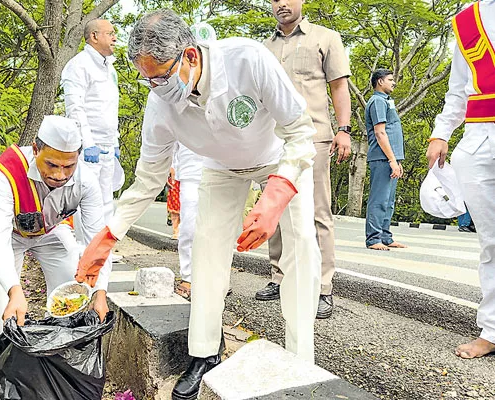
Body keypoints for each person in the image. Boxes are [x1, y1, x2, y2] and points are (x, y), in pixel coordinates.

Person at [75, 10, 321, 400]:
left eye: (160, 75)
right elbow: (148, 181)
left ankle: (299, 360)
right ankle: (205, 353)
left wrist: (276, 195)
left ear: (190, 56)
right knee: (206, 248)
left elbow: (301, 132)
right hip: (221, 168)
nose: (154, 86)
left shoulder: (248, 59)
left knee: (301, 245)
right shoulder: (160, 106)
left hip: (280, 160)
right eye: (146, 78)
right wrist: (106, 238)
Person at [0, 115, 111, 340]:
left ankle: (58, 348)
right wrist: (14, 290)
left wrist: (100, 291)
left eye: (69, 166)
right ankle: (5, 355)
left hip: (50, 231)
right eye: (52, 165)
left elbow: (97, 240)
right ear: (36, 149)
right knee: (3, 294)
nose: (60, 175)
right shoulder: (8, 172)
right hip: (10, 232)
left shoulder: (86, 182)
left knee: (72, 288)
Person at [256, 0, 352, 319]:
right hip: (273, 139)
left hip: (314, 136)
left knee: (317, 212)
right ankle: (279, 278)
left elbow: (339, 86)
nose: (281, 3)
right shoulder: (263, 47)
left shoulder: (326, 38)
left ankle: (323, 287)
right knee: (276, 206)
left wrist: (344, 130)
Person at [426, 0, 495, 359]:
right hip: (479, 139)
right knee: (491, 241)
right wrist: (441, 132)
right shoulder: (468, 20)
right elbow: (458, 88)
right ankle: (492, 329)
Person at [61, 19, 120, 226]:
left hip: (107, 147)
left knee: (106, 201)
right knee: (87, 201)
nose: (115, 38)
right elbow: (75, 108)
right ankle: (84, 251)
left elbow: (111, 108)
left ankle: (103, 253)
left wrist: (115, 142)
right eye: (110, 33)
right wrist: (87, 143)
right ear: (94, 36)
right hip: (89, 149)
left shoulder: (109, 69)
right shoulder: (78, 65)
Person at [364, 69, 407, 251]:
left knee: (389, 201)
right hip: (382, 158)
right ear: (380, 81)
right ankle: (373, 239)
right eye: (390, 80)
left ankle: (385, 236)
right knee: (379, 199)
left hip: (391, 158)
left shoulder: (386, 101)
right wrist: (391, 159)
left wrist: (397, 160)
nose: (393, 83)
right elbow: (380, 132)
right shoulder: (377, 102)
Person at [174, 143, 204, 299]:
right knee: (188, 229)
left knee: (217, 230)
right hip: (190, 173)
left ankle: (215, 279)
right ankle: (187, 277)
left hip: (220, 170)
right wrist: (173, 165)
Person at [167, 166, 181, 240]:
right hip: (174, 186)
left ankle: (183, 231)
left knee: (186, 210)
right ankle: (176, 231)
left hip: (185, 183)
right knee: (174, 211)